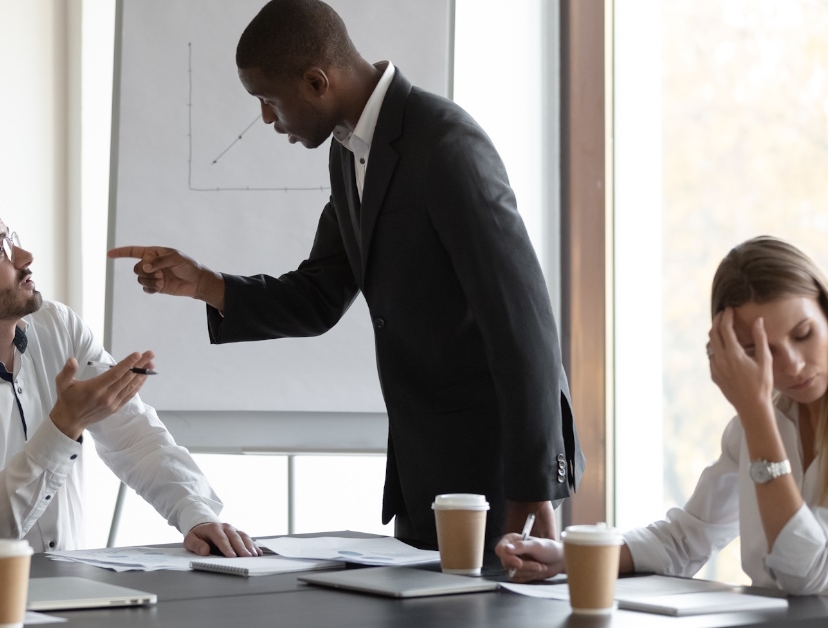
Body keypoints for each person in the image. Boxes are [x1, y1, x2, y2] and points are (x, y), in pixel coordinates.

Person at [108, 0, 581, 550]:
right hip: (424, 471)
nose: (265, 118)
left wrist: (534, 484)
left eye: (267, 100)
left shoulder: (445, 146)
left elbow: (523, 320)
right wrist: (205, 284)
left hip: (495, 478)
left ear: (316, 81)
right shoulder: (349, 151)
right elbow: (320, 295)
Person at [0, 189, 259, 559]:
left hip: (76, 594)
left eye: (12, 240)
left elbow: (133, 437)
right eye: (1, 250)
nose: (26, 257)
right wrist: (64, 425)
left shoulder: (58, 326)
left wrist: (195, 514)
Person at [498, 236, 828, 595]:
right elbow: (687, 539)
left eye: (803, 334)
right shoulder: (758, 426)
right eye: (758, 350)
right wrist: (570, 556)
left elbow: (807, 576)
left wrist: (756, 413)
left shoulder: (758, 421)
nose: (793, 365)